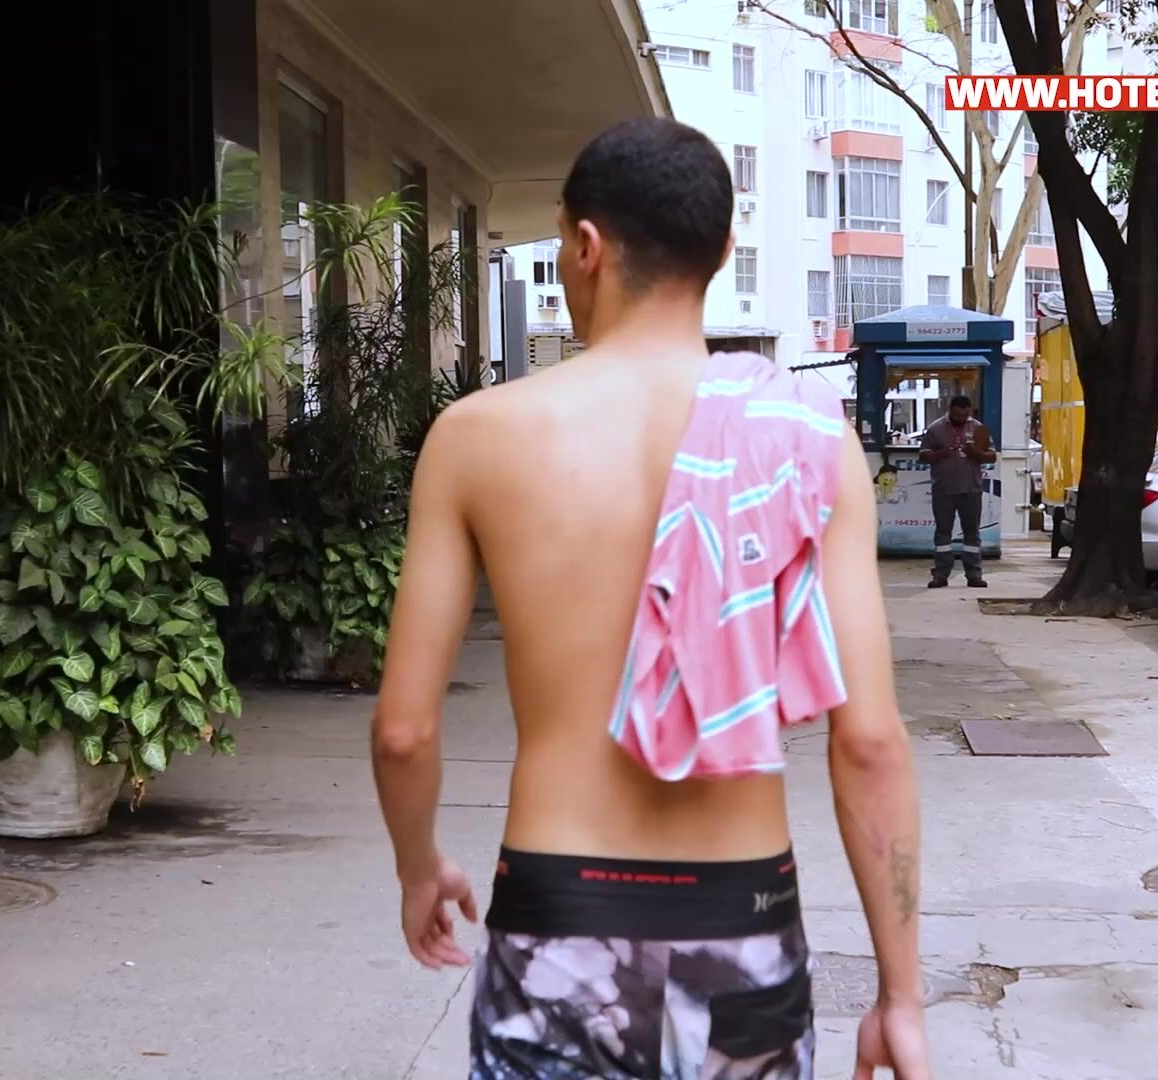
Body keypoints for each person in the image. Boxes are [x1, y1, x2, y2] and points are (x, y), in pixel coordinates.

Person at [370, 117, 927, 1080]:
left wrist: (420, 869)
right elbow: (870, 741)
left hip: (555, 923)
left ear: (585, 246)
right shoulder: (808, 440)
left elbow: (404, 733)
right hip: (741, 928)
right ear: (721, 250)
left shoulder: (475, 437)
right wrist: (901, 995)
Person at [917, 395, 994, 589]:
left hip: (971, 489)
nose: (961, 419)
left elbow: (992, 456)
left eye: (965, 416)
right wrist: (942, 452)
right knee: (943, 533)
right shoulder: (936, 428)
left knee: (972, 533)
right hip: (943, 489)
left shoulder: (978, 428)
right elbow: (923, 456)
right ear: (950, 410)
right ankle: (941, 575)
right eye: (957, 415)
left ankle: (974, 575)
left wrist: (974, 452)